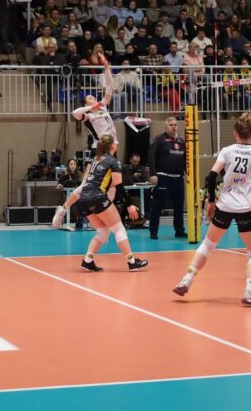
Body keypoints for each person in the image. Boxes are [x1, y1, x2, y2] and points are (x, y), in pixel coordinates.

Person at [173, 114, 251, 305]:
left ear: (235, 132)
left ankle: (187, 279)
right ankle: (250, 290)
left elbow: (210, 177)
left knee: (208, 244)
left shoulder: (227, 150)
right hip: (246, 208)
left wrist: (211, 200)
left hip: (225, 205)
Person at [51, 59, 116, 228]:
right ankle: (63, 210)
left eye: (94, 96)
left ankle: (104, 218)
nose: (93, 97)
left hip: (112, 150)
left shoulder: (103, 107)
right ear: (86, 103)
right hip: (99, 151)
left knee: (112, 187)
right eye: (90, 98)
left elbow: (110, 87)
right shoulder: (89, 116)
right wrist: (90, 108)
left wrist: (106, 68)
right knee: (86, 185)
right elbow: (75, 113)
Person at [75, 135, 148, 272]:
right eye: (115, 142)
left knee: (103, 231)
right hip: (97, 197)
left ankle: (87, 261)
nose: (117, 144)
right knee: (119, 228)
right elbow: (118, 185)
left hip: (84, 198)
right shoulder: (113, 162)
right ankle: (132, 262)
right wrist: (129, 204)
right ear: (112, 146)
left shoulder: (96, 159)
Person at [148, 116, 187, 240]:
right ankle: (153, 231)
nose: (173, 127)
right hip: (163, 178)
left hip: (178, 179)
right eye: (171, 125)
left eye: (175, 125)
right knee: (157, 205)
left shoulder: (181, 142)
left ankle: (179, 230)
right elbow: (151, 157)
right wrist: (153, 174)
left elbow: (186, 160)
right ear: (166, 127)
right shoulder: (159, 139)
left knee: (179, 206)